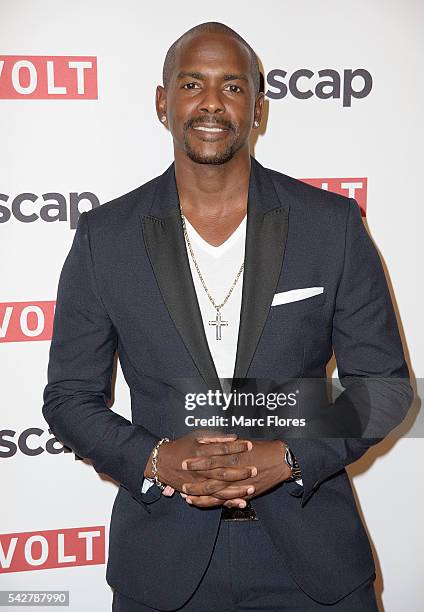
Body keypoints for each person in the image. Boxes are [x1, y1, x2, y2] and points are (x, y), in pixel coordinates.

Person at [42, 21, 413, 611]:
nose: (211, 102)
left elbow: (384, 389)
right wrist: (158, 459)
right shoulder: (104, 238)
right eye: (192, 84)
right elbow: (68, 398)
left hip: (312, 556)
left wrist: (289, 457)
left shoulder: (330, 226)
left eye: (233, 87)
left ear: (258, 107)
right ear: (163, 102)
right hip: (162, 560)